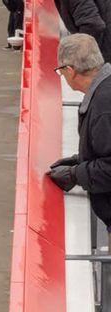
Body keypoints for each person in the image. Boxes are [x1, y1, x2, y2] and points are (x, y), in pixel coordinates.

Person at [48, 34, 111, 230]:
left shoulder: (103, 106)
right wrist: (80, 160)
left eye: (61, 71)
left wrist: (76, 174)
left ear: (70, 70)